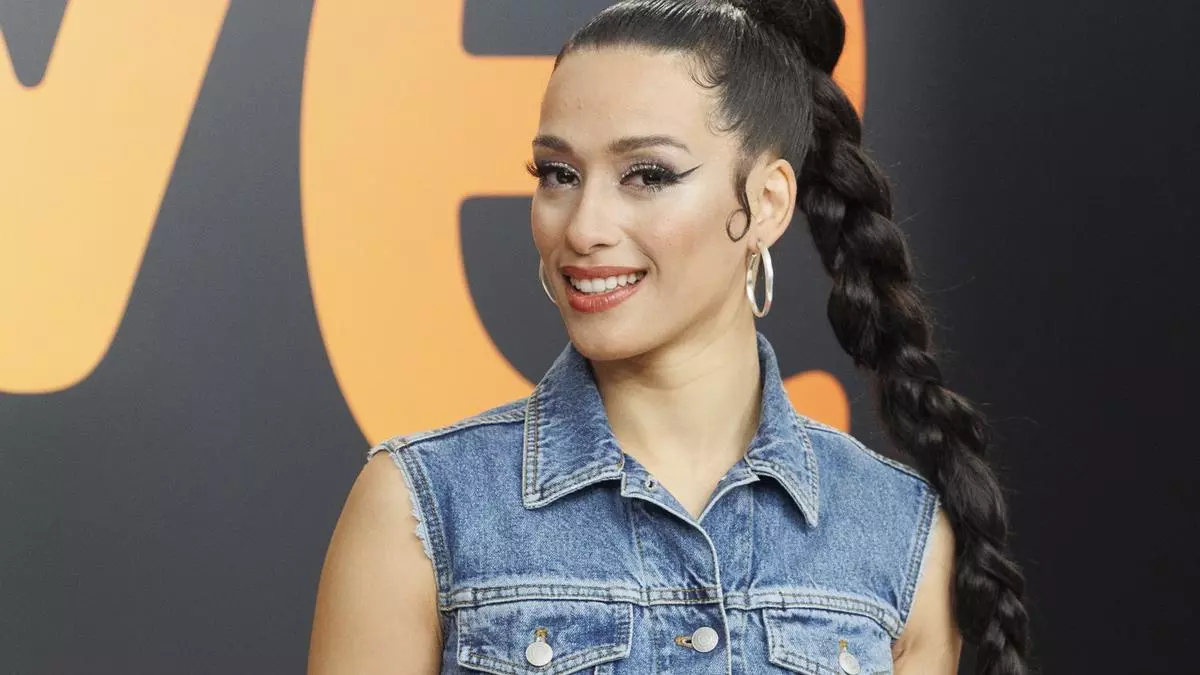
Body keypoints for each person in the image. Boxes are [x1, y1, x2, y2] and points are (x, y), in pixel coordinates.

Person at [308, 1, 1031, 673]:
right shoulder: (421, 507)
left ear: (767, 202)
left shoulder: (899, 534)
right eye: (558, 173)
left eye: (648, 175)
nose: (584, 227)